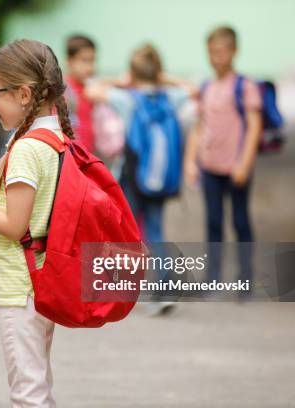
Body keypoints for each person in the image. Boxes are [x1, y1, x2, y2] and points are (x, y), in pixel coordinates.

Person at [0, 39, 74, 407]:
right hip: (39, 278)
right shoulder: (56, 138)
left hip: (20, 287)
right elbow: (38, 219)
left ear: (23, 94)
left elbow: (15, 224)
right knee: (38, 383)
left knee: (28, 393)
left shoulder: (25, 148)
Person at [85, 44, 197, 315]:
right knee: (156, 231)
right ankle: (165, 289)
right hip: (159, 179)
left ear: (133, 74)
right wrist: (164, 78)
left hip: (131, 176)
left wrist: (121, 81)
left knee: (126, 232)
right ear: (158, 72)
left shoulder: (128, 98)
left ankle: (121, 291)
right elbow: (194, 88)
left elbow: (91, 90)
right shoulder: (170, 97)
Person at [183, 26, 262, 290]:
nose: (216, 58)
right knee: (213, 222)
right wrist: (191, 160)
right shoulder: (207, 86)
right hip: (210, 168)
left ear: (233, 52)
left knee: (240, 222)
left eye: (221, 52)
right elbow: (199, 126)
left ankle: (245, 278)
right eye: (211, 52)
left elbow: (254, 127)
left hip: (236, 167)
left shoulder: (245, 86)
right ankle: (213, 277)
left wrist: (245, 163)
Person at [64, 34, 96, 152]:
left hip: (88, 155)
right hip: (73, 156)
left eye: (92, 60)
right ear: (69, 61)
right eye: (84, 60)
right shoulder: (64, 91)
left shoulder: (90, 87)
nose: (89, 67)